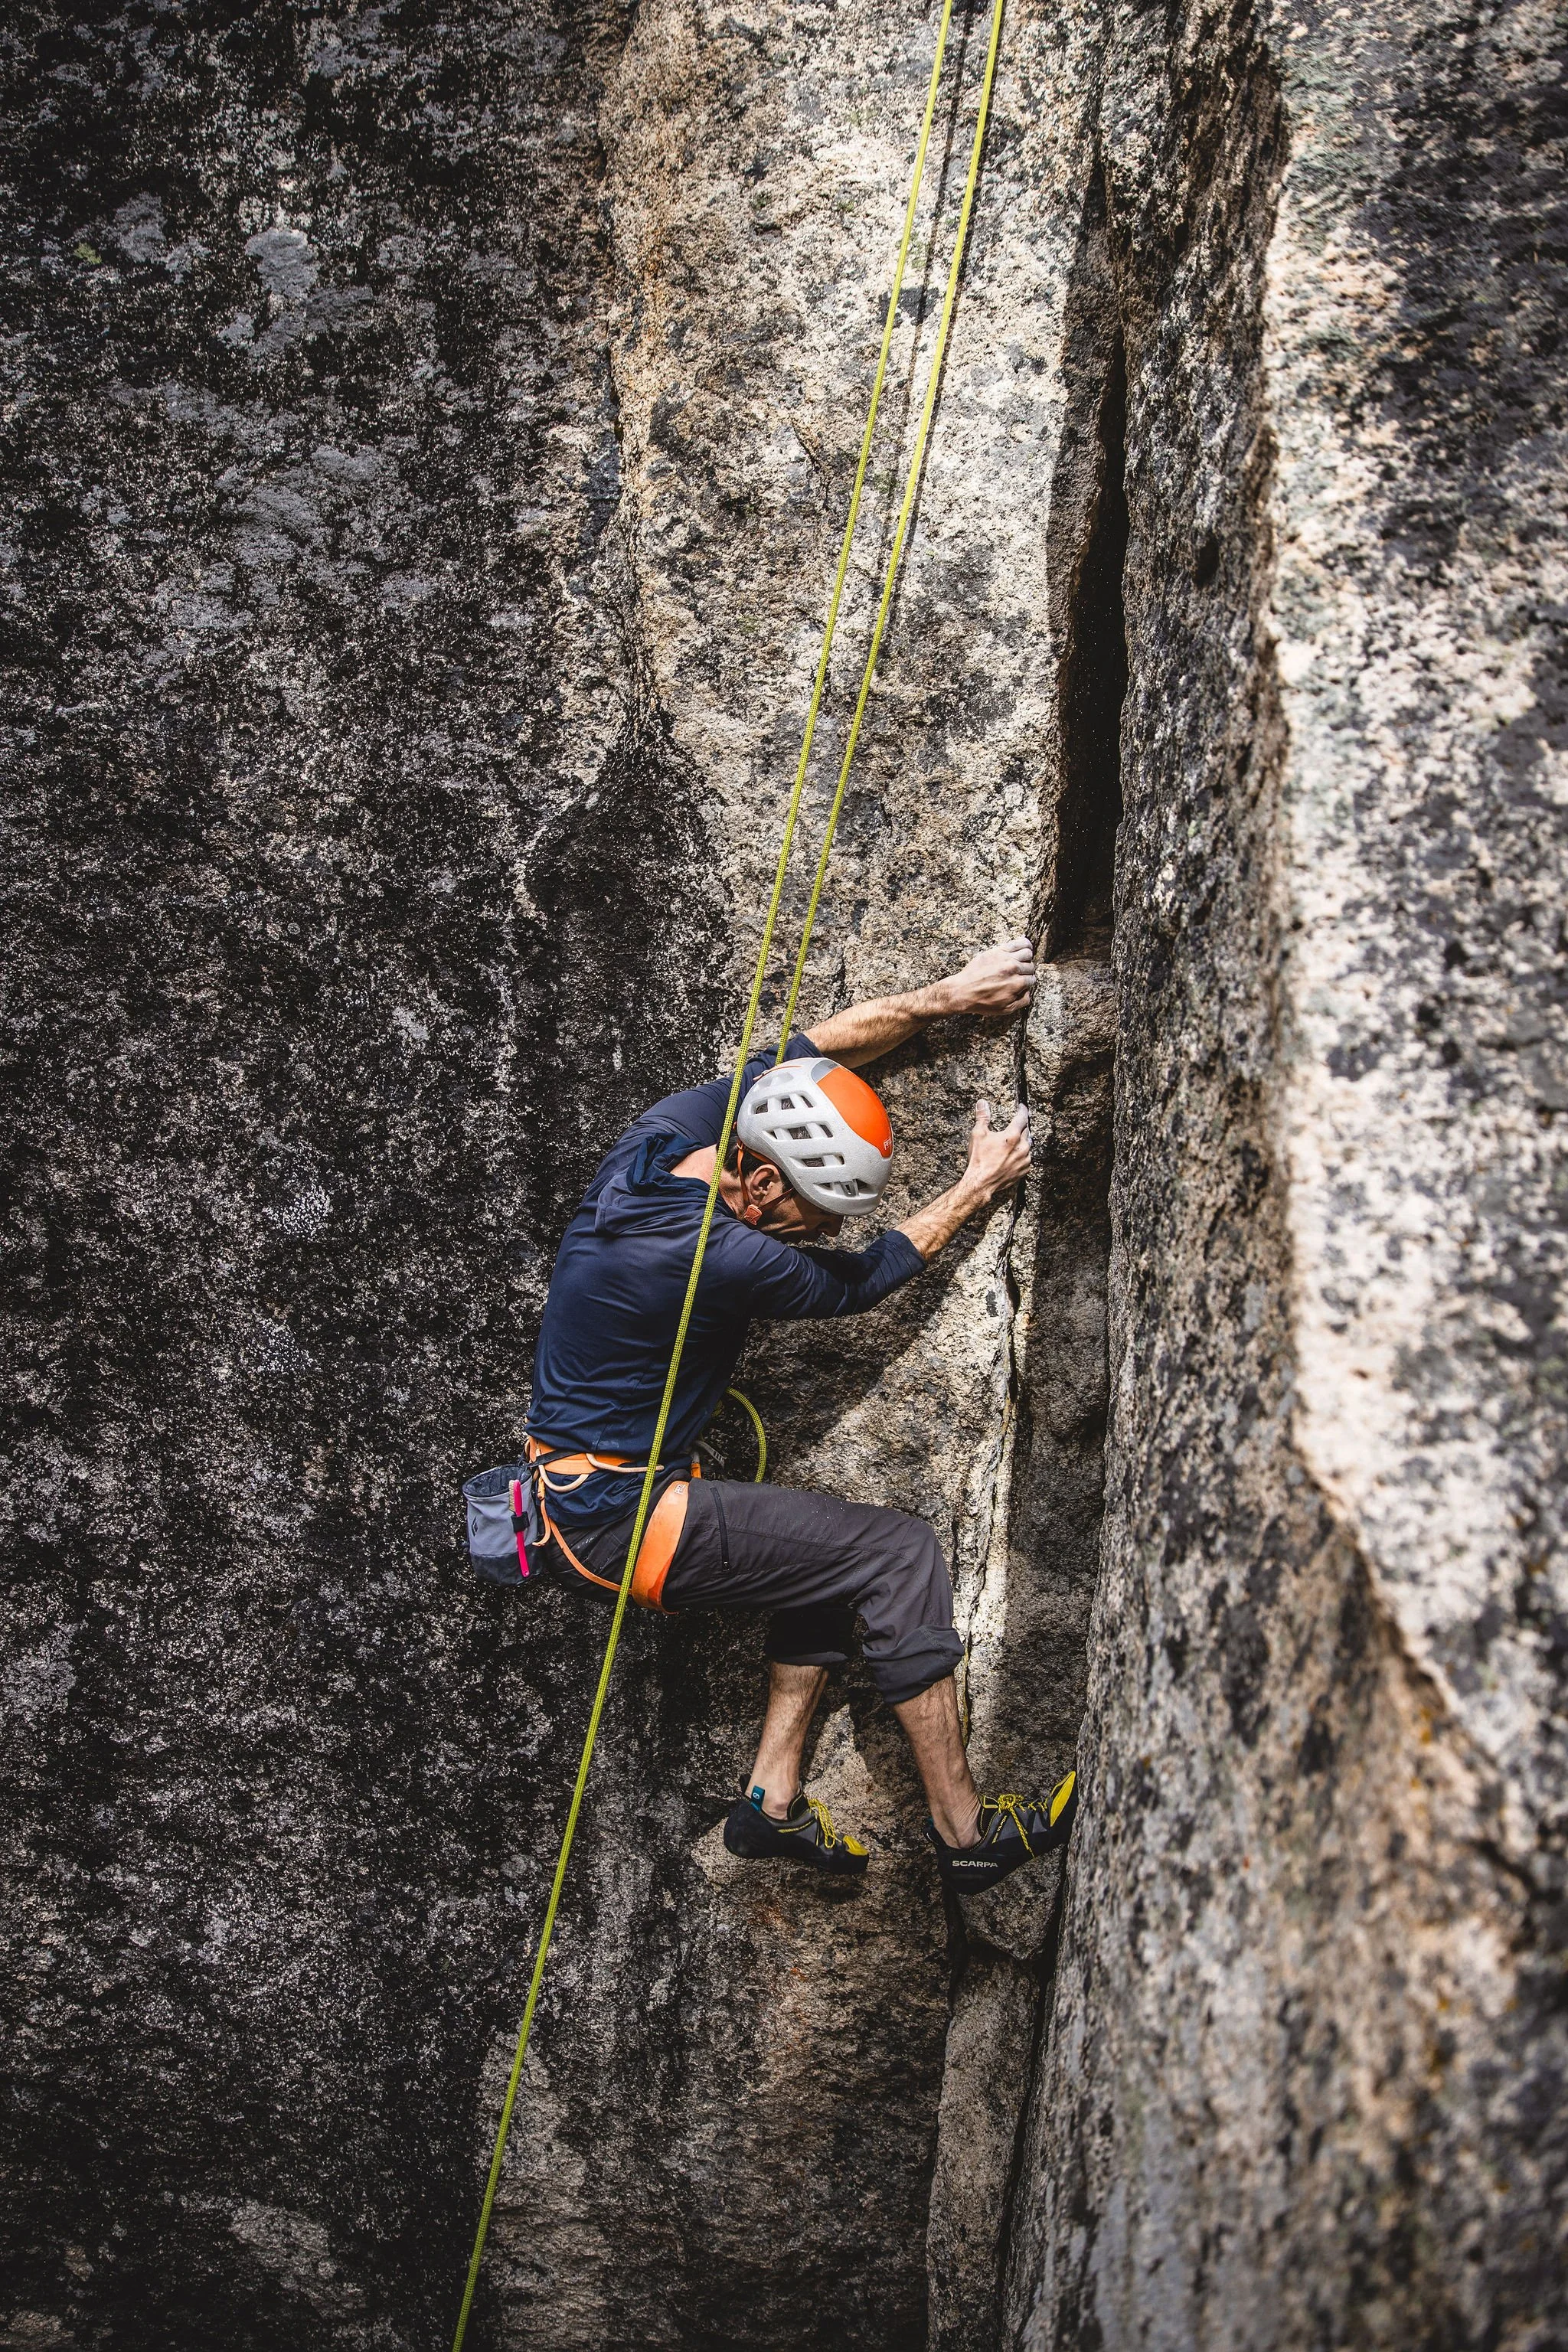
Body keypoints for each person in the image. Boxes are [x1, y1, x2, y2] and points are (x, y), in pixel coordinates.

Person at [524, 937, 1078, 1890]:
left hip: (585, 1500)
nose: (822, 1234)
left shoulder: (657, 1142)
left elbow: (812, 1047)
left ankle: (769, 1804)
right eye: (816, 1213)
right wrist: (978, 1182)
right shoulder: (722, 1255)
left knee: (820, 1562)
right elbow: (863, 1280)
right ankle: (966, 1835)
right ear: (765, 1181)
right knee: (893, 1552)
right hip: (616, 1516)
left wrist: (951, 995)